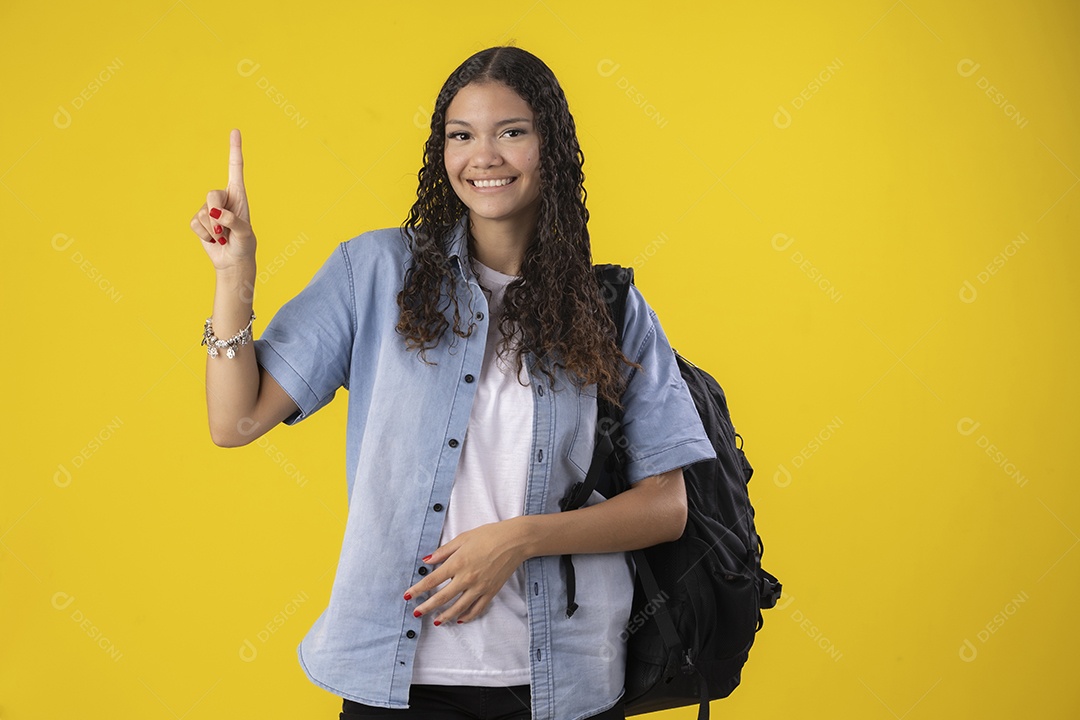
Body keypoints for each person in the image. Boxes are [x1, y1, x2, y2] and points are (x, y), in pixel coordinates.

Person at [191, 46, 714, 720]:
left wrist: (519, 539)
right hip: (398, 680)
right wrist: (235, 276)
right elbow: (234, 423)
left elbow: (667, 508)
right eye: (461, 136)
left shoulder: (608, 308)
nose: (483, 156)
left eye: (512, 132)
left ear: (550, 146)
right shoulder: (374, 273)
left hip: (561, 685)